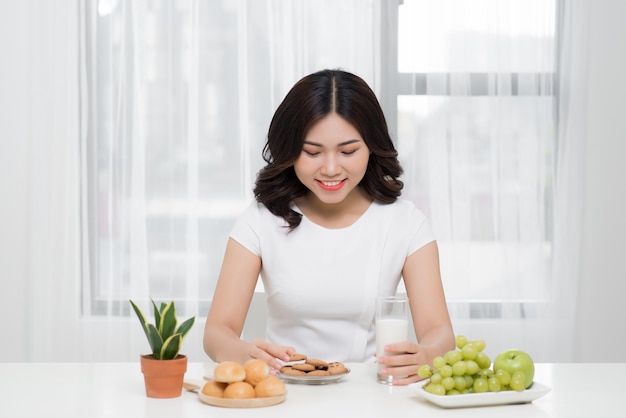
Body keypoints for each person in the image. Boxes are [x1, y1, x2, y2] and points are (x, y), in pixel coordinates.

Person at [203, 69, 454, 385]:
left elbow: (438, 332)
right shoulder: (262, 219)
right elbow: (216, 333)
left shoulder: (405, 223)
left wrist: (427, 355)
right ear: (290, 149)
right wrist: (245, 354)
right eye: (312, 152)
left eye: (348, 151)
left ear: (372, 147)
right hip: (284, 394)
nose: (331, 168)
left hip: (371, 396)